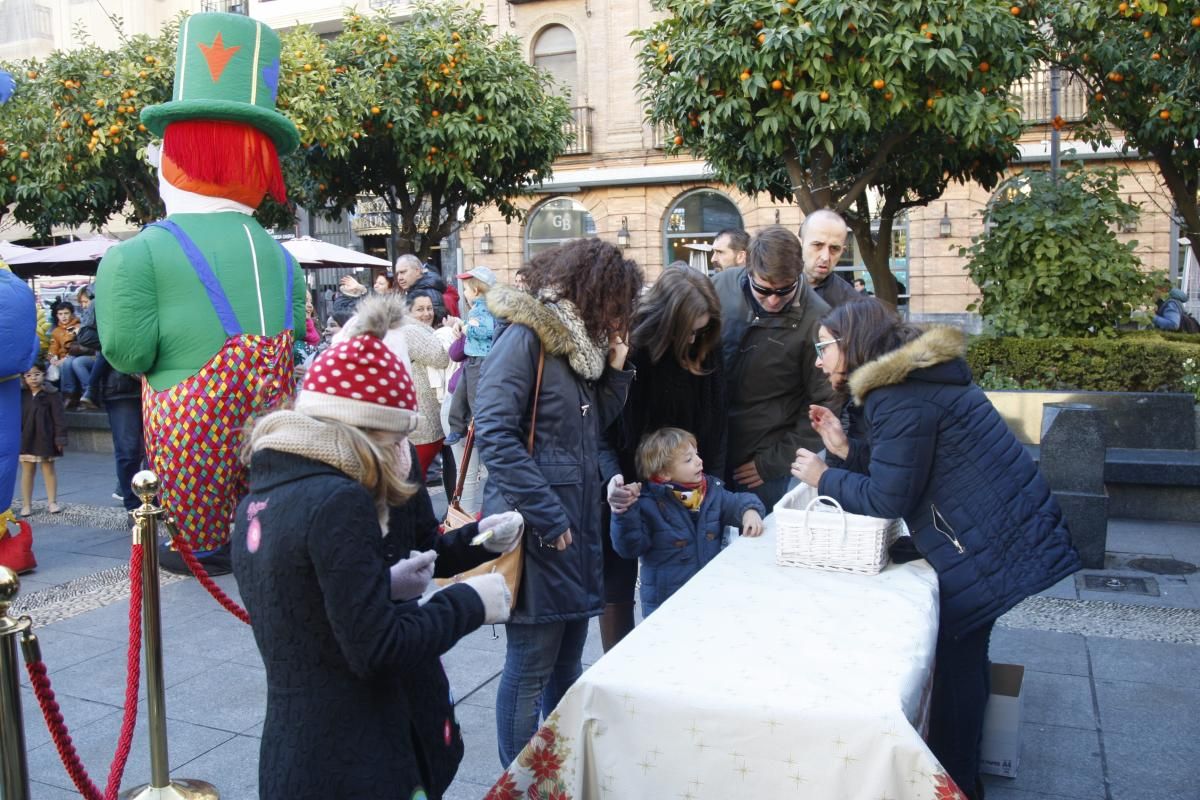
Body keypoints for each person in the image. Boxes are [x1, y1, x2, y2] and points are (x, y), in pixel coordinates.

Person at [789, 298, 1081, 800]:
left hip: (986, 544)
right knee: (965, 657)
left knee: (958, 662)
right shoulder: (911, 384)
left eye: (824, 347)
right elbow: (904, 467)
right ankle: (965, 774)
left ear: (853, 344)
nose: (819, 359)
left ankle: (958, 782)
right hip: (996, 533)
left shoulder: (898, 397)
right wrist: (844, 449)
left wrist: (824, 477)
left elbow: (887, 497)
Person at [231, 312, 516, 799]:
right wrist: (470, 601)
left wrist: (445, 557)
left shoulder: (271, 488)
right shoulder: (338, 499)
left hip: (304, 748)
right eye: (392, 439)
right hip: (355, 754)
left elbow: (313, 600)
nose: (400, 452)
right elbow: (374, 648)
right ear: (360, 430)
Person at [96, 13, 305, 575]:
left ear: (177, 156)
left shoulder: (135, 254)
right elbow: (300, 332)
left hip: (193, 504)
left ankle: (201, 545)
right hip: (270, 473)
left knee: (194, 528)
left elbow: (128, 353)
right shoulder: (283, 258)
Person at [476, 237, 642, 767]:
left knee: (566, 664)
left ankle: (554, 769)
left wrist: (616, 371)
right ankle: (518, 782)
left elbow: (588, 435)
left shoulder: (578, 348)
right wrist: (548, 515)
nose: (618, 318)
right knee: (529, 668)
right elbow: (496, 433)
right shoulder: (528, 336)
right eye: (616, 304)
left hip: (573, 526)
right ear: (592, 293)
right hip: (540, 526)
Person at [600, 267, 728, 650]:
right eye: (688, 329)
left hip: (690, 484)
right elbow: (602, 430)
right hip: (628, 481)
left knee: (684, 582)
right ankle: (619, 671)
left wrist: (715, 490)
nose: (694, 338)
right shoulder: (630, 350)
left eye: (701, 330)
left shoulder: (707, 348)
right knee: (617, 580)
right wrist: (613, 481)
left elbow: (719, 428)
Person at [712, 225, 838, 509]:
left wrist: (773, 462)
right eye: (763, 290)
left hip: (762, 460)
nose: (773, 300)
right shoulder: (721, 287)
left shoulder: (818, 319)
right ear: (747, 268)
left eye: (784, 291)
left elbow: (824, 405)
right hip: (709, 449)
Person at [610, 427, 764, 617]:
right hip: (665, 606)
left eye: (696, 454)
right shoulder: (647, 503)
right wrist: (625, 513)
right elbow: (629, 547)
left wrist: (749, 511)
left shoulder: (710, 492)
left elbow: (737, 502)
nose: (699, 461)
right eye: (689, 459)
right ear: (665, 473)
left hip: (708, 597)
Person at [445, 265, 498, 445]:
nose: (464, 293)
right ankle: (457, 428)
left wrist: (468, 329)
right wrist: (462, 324)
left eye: (466, 289)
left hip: (481, 360)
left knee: (475, 399)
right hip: (472, 359)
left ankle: (476, 432)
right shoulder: (477, 309)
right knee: (460, 393)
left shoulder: (486, 309)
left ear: (475, 290)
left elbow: (487, 330)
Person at [404, 289, 451, 481]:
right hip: (423, 422)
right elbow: (441, 357)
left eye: (430, 308)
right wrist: (449, 333)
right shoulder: (410, 330)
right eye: (420, 309)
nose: (426, 314)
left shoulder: (416, 329)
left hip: (422, 418)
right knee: (414, 481)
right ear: (408, 312)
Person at [19, 362, 66, 516]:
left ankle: (52, 502)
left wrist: (60, 438)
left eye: (37, 374)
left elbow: (59, 418)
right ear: (24, 378)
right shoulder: (21, 395)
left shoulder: (51, 394)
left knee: (48, 469)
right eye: (29, 375)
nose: (33, 378)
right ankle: (26, 504)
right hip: (26, 438)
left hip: (46, 438)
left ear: (44, 375)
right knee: (27, 471)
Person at [102, 367, 145, 517]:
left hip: (156, 384)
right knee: (128, 451)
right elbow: (86, 341)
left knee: (154, 450)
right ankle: (134, 506)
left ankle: (154, 502)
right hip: (122, 388)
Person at [801, 209, 859, 308]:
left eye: (834, 248)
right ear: (800, 244)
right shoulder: (774, 289)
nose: (825, 257)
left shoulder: (851, 303)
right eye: (818, 245)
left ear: (842, 251)